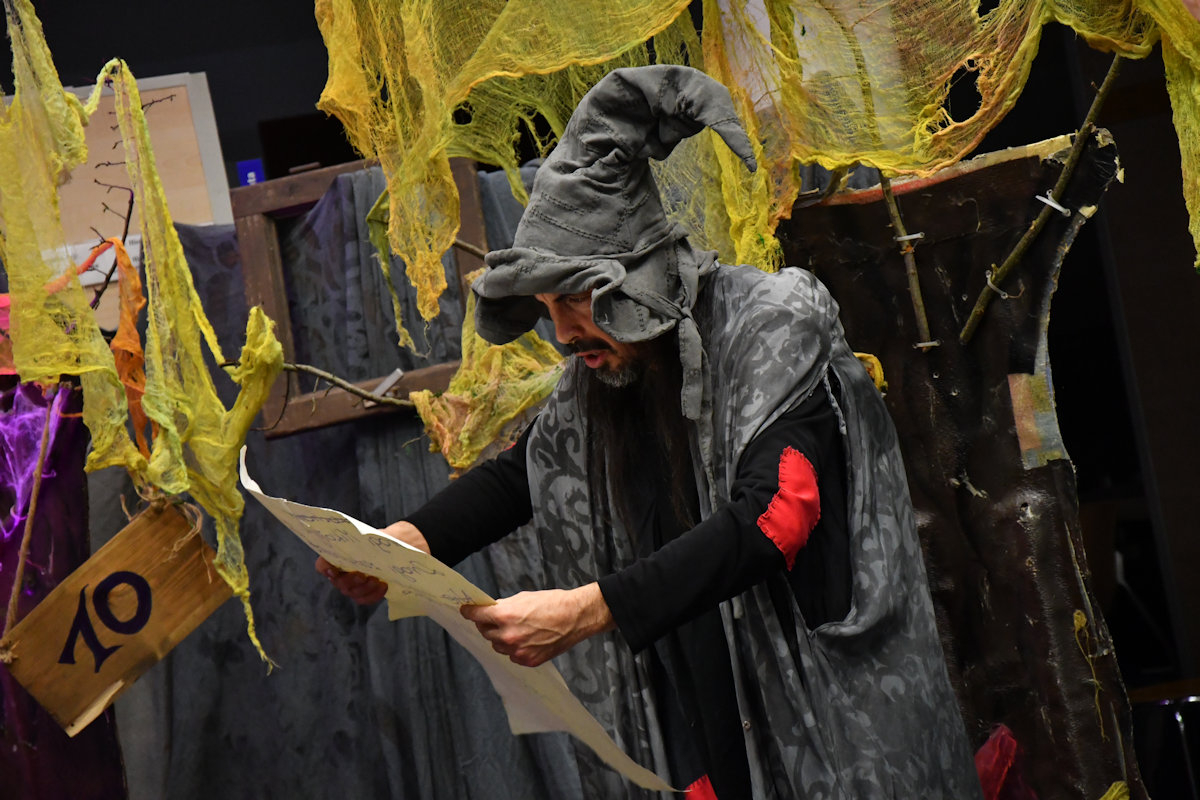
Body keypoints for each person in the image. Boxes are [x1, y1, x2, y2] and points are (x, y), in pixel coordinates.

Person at [318, 65, 981, 799]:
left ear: (638, 277)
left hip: (837, 712)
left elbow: (776, 516)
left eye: (578, 299)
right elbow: (529, 468)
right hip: (720, 713)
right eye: (548, 307)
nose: (564, 334)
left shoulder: (769, 327)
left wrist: (588, 609)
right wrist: (406, 544)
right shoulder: (614, 368)